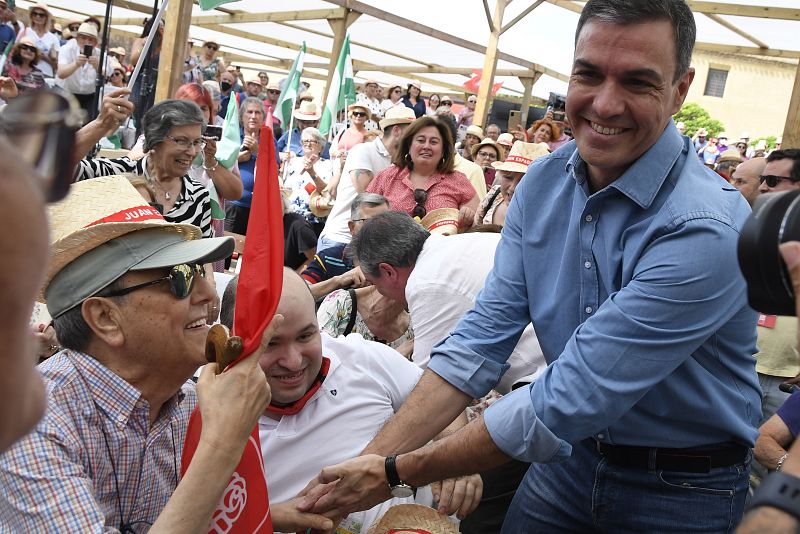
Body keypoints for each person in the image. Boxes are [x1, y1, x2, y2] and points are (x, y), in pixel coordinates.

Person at [302, 2, 762, 532]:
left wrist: (394, 471)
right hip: (567, 463)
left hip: (680, 488)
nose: (605, 104)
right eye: (588, 74)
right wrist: (362, 469)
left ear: (682, 89)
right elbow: (479, 340)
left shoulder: (707, 227)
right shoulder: (543, 185)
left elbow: (568, 397)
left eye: (638, 82)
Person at [0, 175, 291, 532]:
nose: (208, 295)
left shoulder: (190, 403)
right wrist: (223, 443)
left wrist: (272, 513)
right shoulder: (28, 423)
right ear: (106, 318)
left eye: (203, 272)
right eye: (179, 278)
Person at [221, 269, 481, 533]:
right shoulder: (209, 419)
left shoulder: (363, 359)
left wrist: (452, 458)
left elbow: (438, 401)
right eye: (271, 344)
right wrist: (267, 516)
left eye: (305, 336)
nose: (294, 361)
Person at [348, 211, 546, 531]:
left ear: (388, 272)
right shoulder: (461, 247)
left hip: (547, 390)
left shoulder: (428, 282)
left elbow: (434, 391)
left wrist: (457, 463)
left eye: (375, 285)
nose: (380, 296)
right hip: (554, 378)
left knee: (476, 496)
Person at [74, 99, 213, 239]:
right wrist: (100, 125)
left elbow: (204, 256)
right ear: (154, 139)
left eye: (197, 142)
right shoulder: (118, 174)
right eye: (182, 141)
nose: (192, 151)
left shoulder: (198, 195)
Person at [738, 243, 800, 533]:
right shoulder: (758, 253)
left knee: (765, 458)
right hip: (749, 367)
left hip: (788, 378)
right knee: (745, 453)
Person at [316, 106, 416, 258]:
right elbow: (368, 196)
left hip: (367, 245)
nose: (415, 139)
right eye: (412, 133)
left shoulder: (401, 162)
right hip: (340, 239)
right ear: (397, 130)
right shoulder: (363, 150)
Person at [367, 116, 478, 230]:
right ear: (409, 146)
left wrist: (466, 222)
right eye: (420, 140)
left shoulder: (459, 182)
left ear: (443, 150)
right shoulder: (387, 177)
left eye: (434, 142)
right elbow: (364, 215)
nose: (426, 146)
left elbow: (476, 228)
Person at [303, 192, 388, 302]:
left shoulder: (399, 262)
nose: (379, 230)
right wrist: (338, 281)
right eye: (369, 222)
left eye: (385, 222)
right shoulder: (329, 258)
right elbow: (301, 294)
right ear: (352, 227)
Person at [475, 141, 549, 227]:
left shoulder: (544, 216)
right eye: (508, 177)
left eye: (523, 181)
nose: (512, 188)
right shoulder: (494, 194)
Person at [225, 97, 266, 236]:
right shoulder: (231, 135)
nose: (253, 116)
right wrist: (237, 159)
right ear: (242, 116)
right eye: (249, 112)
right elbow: (219, 163)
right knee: (226, 249)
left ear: (263, 118)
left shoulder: (269, 141)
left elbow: (275, 168)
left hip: (257, 208)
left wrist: (258, 151)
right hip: (232, 204)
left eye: (258, 113)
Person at [284, 127, 334, 236]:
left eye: (312, 141)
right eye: (305, 141)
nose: (308, 144)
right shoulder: (292, 162)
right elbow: (285, 188)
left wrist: (312, 172)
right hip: (290, 217)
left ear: (321, 147)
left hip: (314, 220)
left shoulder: (327, 165)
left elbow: (326, 191)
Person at [55, 22, 104, 117]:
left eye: (91, 39)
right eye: (83, 38)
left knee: (89, 122)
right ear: (77, 38)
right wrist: (76, 64)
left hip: (88, 96)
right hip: (66, 92)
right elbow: (61, 74)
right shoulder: (67, 49)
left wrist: (97, 66)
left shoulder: (100, 55)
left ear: (95, 43)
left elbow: (108, 74)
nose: (87, 42)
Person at [20, 3, 59, 80]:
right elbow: (16, 53)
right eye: (35, 14)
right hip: (26, 74)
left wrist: (45, 58)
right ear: (31, 16)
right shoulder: (25, 31)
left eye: (41, 15)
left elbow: (57, 65)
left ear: (46, 18)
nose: (38, 16)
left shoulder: (53, 38)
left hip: (46, 76)